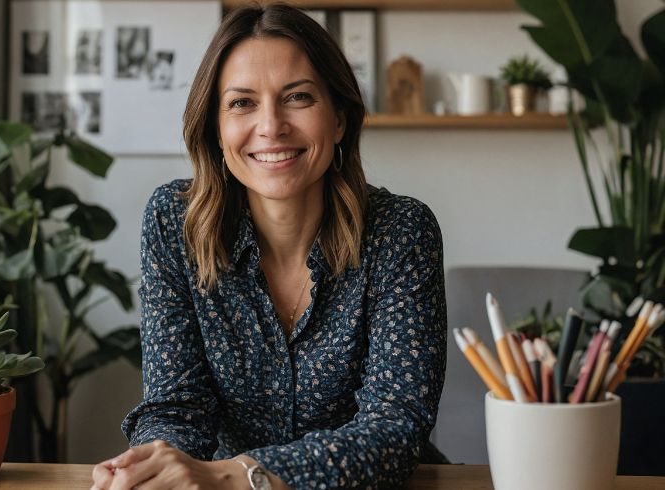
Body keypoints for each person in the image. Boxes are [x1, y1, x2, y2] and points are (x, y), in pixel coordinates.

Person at [91, 4, 446, 489]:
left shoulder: (401, 231)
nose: (271, 125)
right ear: (216, 129)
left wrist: (238, 476)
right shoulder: (175, 223)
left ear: (339, 119)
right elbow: (177, 407)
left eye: (297, 97)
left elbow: (394, 428)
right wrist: (156, 467)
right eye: (242, 103)